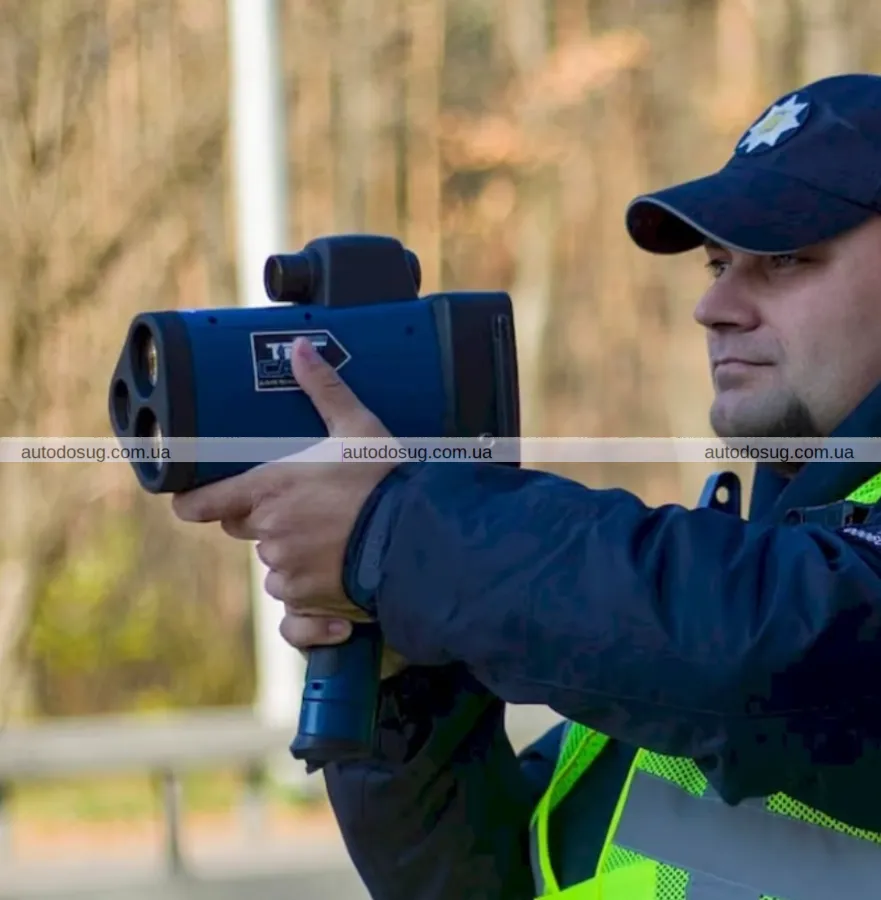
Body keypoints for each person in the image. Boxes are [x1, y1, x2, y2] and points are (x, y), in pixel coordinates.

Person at [173, 73, 881, 898]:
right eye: (717, 263)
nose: (713, 304)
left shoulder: (740, 613)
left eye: (786, 258)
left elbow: (771, 647)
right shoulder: (708, 615)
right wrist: (409, 687)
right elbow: (492, 881)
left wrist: (396, 534)